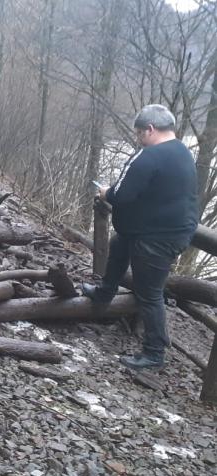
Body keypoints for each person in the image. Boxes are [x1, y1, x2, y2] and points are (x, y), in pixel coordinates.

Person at [83, 104, 199, 370]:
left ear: (150, 129)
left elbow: (120, 194)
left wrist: (104, 192)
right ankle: (104, 293)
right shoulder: (182, 152)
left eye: (138, 133)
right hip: (164, 230)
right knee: (118, 244)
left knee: (149, 294)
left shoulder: (148, 156)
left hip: (157, 238)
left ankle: (154, 353)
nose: (138, 139)